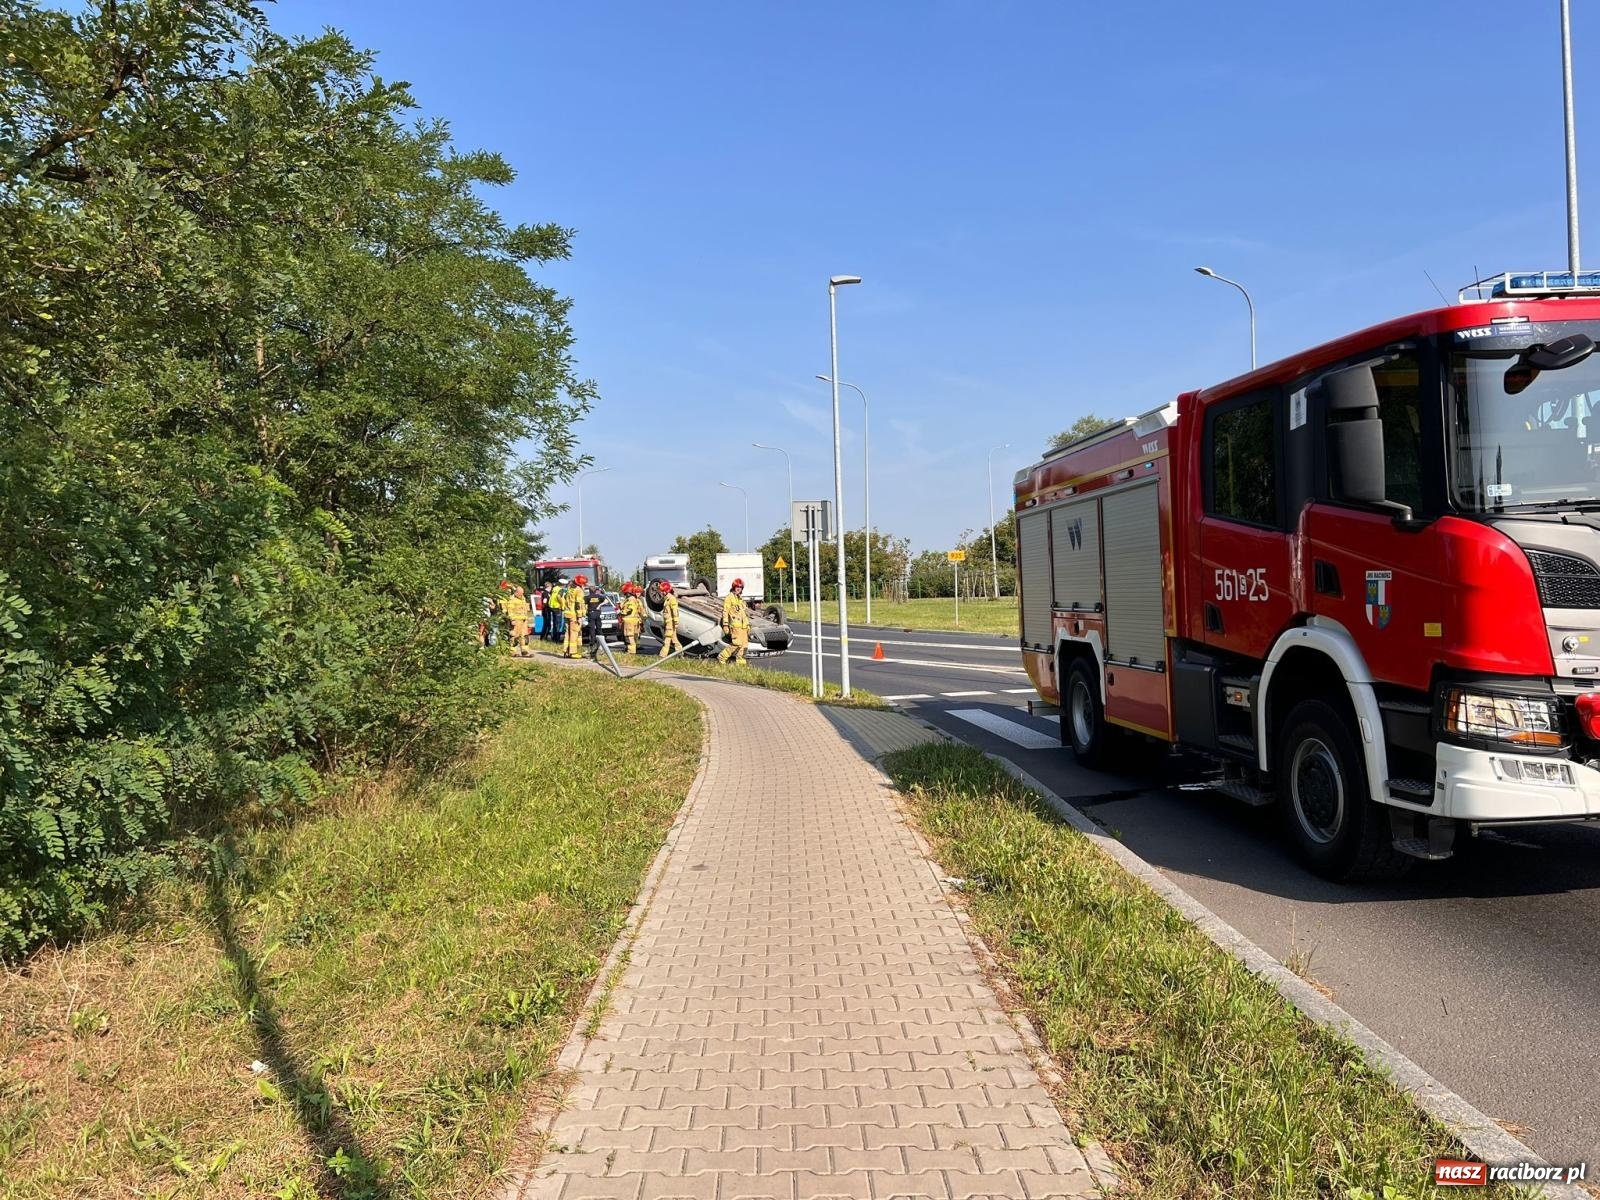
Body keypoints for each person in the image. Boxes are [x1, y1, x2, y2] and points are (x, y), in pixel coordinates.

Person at [717, 578, 751, 666]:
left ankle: (741, 663)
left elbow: (744, 614)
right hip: (735, 626)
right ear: (733, 587)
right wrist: (725, 625)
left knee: (744, 646)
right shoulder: (729, 598)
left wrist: (747, 626)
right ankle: (722, 657)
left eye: (740, 587)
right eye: (737, 587)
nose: (738, 589)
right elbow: (725, 611)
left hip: (743, 626)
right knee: (737, 643)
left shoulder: (741, 599)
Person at [562, 574, 588, 658]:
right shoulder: (579, 590)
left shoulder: (570, 589)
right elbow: (578, 604)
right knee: (574, 633)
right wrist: (579, 616)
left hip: (567, 613)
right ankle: (573, 653)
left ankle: (566, 650)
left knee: (567, 633)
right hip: (574, 615)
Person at [503, 585, 532, 656]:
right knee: (514, 636)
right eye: (520, 593)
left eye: (522, 593)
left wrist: (527, 619)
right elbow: (510, 611)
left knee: (524, 636)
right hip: (516, 620)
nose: (522, 595)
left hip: (523, 620)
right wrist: (512, 620)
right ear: (516, 592)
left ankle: (524, 650)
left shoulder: (523, 598)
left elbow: (525, 609)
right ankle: (512, 651)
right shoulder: (512, 600)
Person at [657, 580, 681, 658]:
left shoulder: (671, 599)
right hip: (668, 623)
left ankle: (662, 655)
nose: (660, 592)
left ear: (665, 591)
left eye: (662, 591)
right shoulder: (667, 598)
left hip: (670, 623)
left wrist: (676, 622)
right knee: (674, 640)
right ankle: (680, 652)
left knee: (667, 639)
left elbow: (675, 611)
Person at [618, 583, 644, 655]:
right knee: (631, 637)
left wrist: (621, 612)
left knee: (629, 638)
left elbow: (630, 610)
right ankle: (631, 650)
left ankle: (631, 652)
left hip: (629, 621)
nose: (624, 594)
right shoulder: (631, 599)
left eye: (625, 593)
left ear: (628, 592)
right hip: (632, 620)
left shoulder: (631, 600)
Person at [585, 582, 606, 659]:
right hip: (598, 613)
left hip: (591, 613)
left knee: (592, 628)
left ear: (590, 591)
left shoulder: (587, 597)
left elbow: (584, 604)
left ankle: (592, 642)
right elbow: (606, 600)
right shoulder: (599, 596)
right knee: (599, 628)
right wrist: (600, 605)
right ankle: (601, 642)